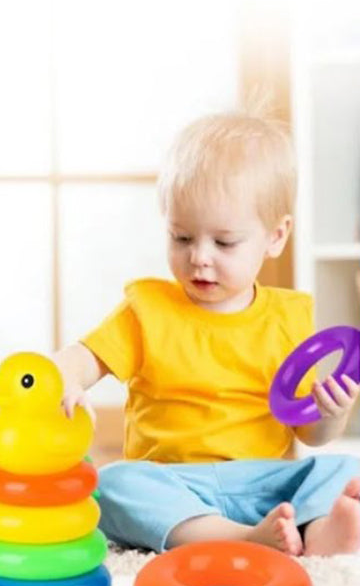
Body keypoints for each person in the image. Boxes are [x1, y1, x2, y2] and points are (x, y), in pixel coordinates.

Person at [54, 110, 360, 556]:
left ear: (275, 237)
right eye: (181, 238)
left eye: (224, 242)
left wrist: (331, 414)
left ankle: (317, 534)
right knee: (113, 484)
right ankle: (241, 539)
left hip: (265, 480)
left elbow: (310, 435)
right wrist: (63, 376)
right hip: (172, 481)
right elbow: (83, 357)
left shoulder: (289, 316)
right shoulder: (147, 309)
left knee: (343, 468)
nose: (199, 257)